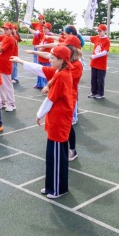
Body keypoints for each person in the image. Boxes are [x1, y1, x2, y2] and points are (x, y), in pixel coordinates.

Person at [14, 35, 83, 161]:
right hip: (61, 99)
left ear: (71, 49)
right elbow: (47, 66)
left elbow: (60, 79)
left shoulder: (75, 65)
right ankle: (62, 151)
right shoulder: (63, 65)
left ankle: (71, 150)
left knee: (67, 126)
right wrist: (24, 60)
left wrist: (49, 85)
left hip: (67, 99)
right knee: (63, 127)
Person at [36, 46, 75, 199]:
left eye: (52, 58)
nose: (50, 60)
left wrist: (39, 115)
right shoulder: (60, 73)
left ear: (61, 60)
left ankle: (59, 189)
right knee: (51, 156)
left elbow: (51, 99)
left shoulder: (62, 75)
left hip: (59, 121)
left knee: (58, 157)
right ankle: (50, 186)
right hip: (55, 120)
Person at [0, 22, 16, 111]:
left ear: (11, 30)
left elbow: (0, 49)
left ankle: (11, 104)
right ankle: (3, 102)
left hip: (6, 64)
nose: (5, 30)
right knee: (1, 84)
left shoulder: (10, 39)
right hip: (1, 64)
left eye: (7, 29)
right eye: (4, 29)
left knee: (7, 85)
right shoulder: (5, 37)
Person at [88, 24, 110, 99]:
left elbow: (104, 52)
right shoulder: (97, 37)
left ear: (105, 31)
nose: (99, 32)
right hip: (94, 63)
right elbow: (88, 38)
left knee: (100, 79)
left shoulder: (107, 40)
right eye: (98, 31)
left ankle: (100, 93)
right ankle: (93, 92)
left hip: (101, 64)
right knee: (93, 78)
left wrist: (94, 56)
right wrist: (77, 35)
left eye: (100, 31)